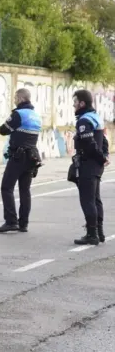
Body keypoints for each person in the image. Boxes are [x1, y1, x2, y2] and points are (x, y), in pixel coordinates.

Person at [0, 88, 43, 233]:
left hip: (18, 156)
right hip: (32, 157)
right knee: (25, 190)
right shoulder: (36, 115)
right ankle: (23, 224)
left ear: (21, 99)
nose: (14, 100)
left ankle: (11, 221)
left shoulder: (18, 114)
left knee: (6, 187)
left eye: (16, 97)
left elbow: (3, 130)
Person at [71, 89, 109, 245]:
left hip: (88, 164)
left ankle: (92, 234)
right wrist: (104, 156)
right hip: (96, 165)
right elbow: (104, 140)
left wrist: (101, 157)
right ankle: (99, 232)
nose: (73, 105)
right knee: (95, 199)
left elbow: (89, 144)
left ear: (82, 103)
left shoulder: (84, 120)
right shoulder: (96, 117)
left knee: (87, 200)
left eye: (75, 102)